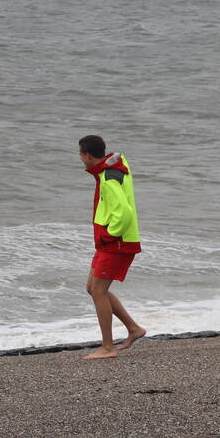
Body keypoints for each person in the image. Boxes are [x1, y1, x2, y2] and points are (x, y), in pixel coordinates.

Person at [78, 135, 147, 360]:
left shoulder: (109, 178)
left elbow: (124, 213)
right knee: (93, 288)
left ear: (87, 155)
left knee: (98, 291)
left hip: (116, 242)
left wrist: (110, 234)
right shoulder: (114, 166)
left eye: (80, 153)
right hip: (109, 241)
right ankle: (134, 329)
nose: (80, 158)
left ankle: (108, 347)